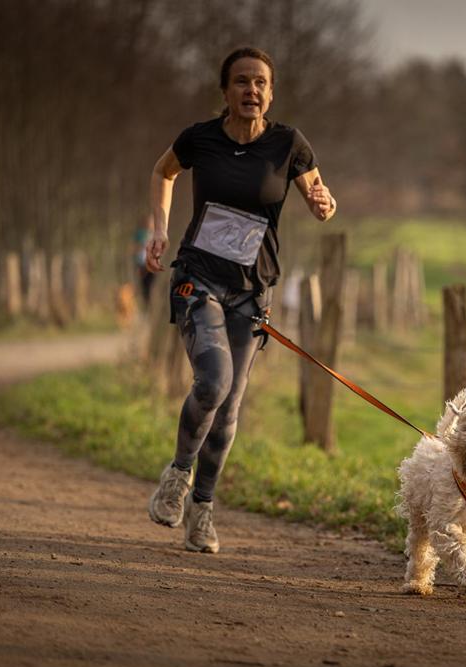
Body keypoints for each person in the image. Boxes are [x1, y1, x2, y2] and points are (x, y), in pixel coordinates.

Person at [145, 47, 336, 553]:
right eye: (242, 82)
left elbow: (320, 197)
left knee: (229, 408)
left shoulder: (288, 143)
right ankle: (178, 476)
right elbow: (163, 172)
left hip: (252, 290)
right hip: (198, 278)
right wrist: (159, 229)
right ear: (225, 91)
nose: (252, 90)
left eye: (261, 83)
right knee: (213, 381)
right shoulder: (199, 138)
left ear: (271, 93)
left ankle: (202, 512)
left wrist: (323, 204)